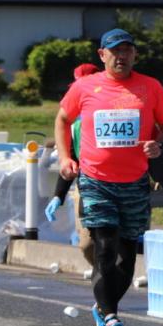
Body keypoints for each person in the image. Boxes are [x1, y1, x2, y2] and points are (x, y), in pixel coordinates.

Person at [54, 29, 163, 326]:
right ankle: (110, 318)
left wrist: (159, 144)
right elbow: (63, 119)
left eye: (127, 50)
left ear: (135, 55)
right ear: (102, 55)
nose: (121, 56)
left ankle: (102, 308)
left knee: (126, 258)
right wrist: (66, 157)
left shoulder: (150, 87)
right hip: (96, 180)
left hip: (136, 182)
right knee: (105, 248)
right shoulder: (85, 87)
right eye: (115, 51)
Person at [46, 63, 99, 267]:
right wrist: (58, 195)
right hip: (86, 189)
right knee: (88, 245)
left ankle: (108, 291)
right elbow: (70, 160)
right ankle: (103, 284)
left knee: (115, 244)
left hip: (118, 188)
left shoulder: (115, 110)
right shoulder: (74, 122)